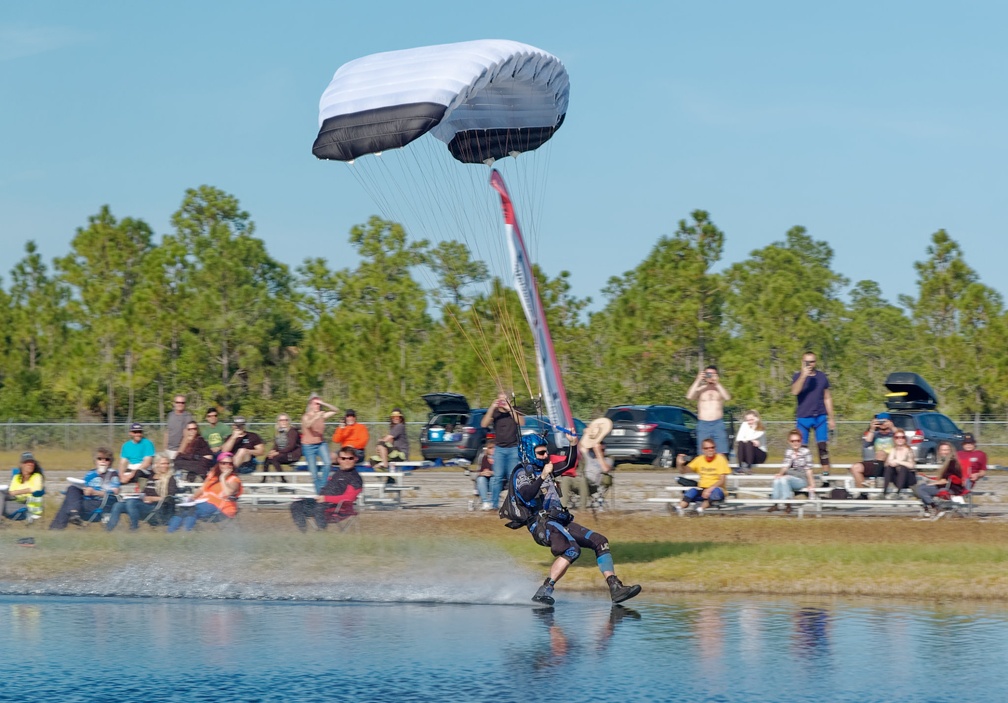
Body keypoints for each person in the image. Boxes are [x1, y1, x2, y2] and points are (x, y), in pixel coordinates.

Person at [511, 436, 640, 605]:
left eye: (546, 452)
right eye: (541, 453)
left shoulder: (546, 468)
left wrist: (573, 444)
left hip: (558, 520)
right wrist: (542, 477)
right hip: (542, 524)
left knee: (600, 541)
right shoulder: (522, 473)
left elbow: (568, 464)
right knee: (572, 549)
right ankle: (544, 590)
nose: (545, 455)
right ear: (529, 453)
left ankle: (615, 587)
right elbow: (526, 494)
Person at [290, 448, 364, 532]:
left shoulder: (355, 478)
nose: (346, 461)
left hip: (340, 509)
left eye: (350, 458)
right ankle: (303, 533)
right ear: (339, 459)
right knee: (296, 505)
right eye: (343, 458)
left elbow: (349, 498)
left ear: (355, 459)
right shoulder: (337, 474)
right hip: (324, 504)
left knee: (319, 508)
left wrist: (325, 499)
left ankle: (322, 535)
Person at [167, 452, 242, 532]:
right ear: (219, 464)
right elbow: (202, 489)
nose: (227, 465)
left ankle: (185, 535)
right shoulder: (213, 475)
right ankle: (170, 534)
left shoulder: (234, 480)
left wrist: (222, 478)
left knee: (192, 510)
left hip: (222, 508)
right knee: (182, 509)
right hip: (204, 503)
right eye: (223, 463)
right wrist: (193, 497)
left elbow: (228, 493)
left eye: (230, 463)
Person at [49, 448, 121, 529]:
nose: (103, 461)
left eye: (106, 459)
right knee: (72, 488)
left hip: (99, 503)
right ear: (95, 461)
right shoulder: (91, 473)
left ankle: (57, 528)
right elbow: (83, 485)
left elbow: (115, 492)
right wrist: (84, 489)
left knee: (68, 503)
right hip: (85, 500)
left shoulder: (112, 474)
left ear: (110, 462)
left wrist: (95, 492)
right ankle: (73, 514)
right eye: (99, 458)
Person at [789, 351, 836, 475]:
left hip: (820, 416)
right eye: (807, 362)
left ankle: (826, 475)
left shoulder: (821, 377)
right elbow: (794, 392)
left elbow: (827, 398)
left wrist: (831, 418)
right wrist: (804, 376)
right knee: (801, 448)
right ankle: (802, 475)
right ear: (802, 362)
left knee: (822, 447)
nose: (810, 364)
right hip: (804, 417)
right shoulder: (797, 376)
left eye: (812, 361)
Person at [106, 453, 178, 530]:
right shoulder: (152, 475)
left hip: (157, 508)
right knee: (118, 505)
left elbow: (169, 498)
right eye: (163, 463)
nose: (165, 466)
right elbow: (139, 472)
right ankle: (108, 530)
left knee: (131, 503)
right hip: (144, 504)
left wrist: (152, 498)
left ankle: (134, 529)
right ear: (156, 464)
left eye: (167, 463)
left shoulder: (170, 479)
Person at [480, 392, 522, 509]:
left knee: (512, 477)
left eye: (504, 400)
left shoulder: (514, 410)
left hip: (513, 448)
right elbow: (483, 424)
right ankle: (494, 504)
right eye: (500, 400)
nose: (502, 402)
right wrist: (492, 407)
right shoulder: (496, 412)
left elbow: (521, 422)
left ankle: (514, 504)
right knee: (497, 477)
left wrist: (509, 409)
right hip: (499, 449)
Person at [673, 438, 731, 516]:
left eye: (712, 447)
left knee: (715, 493)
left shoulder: (720, 459)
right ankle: (678, 508)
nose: (710, 450)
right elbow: (683, 471)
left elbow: (722, 480)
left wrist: (709, 490)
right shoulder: (699, 459)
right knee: (692, 491)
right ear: (703, 450)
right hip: (702, 489)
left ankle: (699, 510)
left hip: (717, 489)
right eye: (707, 448)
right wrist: (680, 464)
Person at [686, 365, 731, 455]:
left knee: (721, 451)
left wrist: (717, 383)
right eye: (708, 374)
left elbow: (727, 397)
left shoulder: (719, 389)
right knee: (703, 452)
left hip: (718, 423)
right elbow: (689, 396)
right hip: (703, 424)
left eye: (712, 374)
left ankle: (720, 468)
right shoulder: (701, 389)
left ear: (717, 375)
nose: (710, 376)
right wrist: (698, 380)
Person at [768, 429, 815, 513]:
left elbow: (809, 470)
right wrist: (779, 474)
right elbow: (785, 466)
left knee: (784, 478)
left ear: (801, 441)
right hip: (789, 478)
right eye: (792, 441)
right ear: (789, 442)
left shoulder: (806, 452)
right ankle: (775, 504)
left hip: (801, 479)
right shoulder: (788, 452)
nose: (795, 443)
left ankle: (788, 504)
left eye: (798, 440)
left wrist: (812, 485)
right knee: (777, 479)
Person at [301, 393, 339, 493]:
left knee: (327, 463)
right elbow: (308, 425)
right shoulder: (306, 416)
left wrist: (324, 403)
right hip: (308, 446)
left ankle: (322, 487)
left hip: (320, 443)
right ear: (310, 405)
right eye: (315, 404)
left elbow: (336, 410)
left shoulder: (322, 414)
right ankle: (320, 495)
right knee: (314, 474)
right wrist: (315, 417)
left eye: (318, 404)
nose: (317, 406)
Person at [848, 413, 897, 488]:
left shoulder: (895, 434)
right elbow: (866, 444)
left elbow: (903, 440)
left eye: (886, 429)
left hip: (891, 464)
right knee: (856, 467)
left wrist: (892, 427)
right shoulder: (876, 434)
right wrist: (872, 429)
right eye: (881, 428)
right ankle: (863, 493)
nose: (883, 430)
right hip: (877, 463)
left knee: (881, 453)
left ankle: (874, 479)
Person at [915, 441, 960, 518]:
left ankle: (934, 507)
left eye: (946, 450)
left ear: (951, 451)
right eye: (942, 450)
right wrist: (932, 480)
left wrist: (933, 483)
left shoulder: (952, 463)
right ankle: (928, 508)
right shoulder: (946, 461)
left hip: (950, 488)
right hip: (945, 486)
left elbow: (946, 480)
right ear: (939, 451)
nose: (944, 452)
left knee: (922, 489)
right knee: (922, 486)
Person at [1, 452, 45, 522]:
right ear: (22, 465)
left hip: (26, 505)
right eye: (27, 462)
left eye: (32, 462)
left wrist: (18, 492)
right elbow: (11, 492)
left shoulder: (37, 476)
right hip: (13, 501)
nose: (30, 464)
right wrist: (26, 490)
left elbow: (36, 489)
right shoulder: (16, 477)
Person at [264, 413, 302, 482]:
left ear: (288, 421)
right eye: (281, 420)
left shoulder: (292, 431)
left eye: (286, 420)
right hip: (284, 453)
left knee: (275, 458)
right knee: (268, 458)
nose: (283, 422)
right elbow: (277, 445)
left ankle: (283, 479)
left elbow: (291, 446)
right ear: (278, 422)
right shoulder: (279, 432)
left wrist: (277, 453)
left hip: (293, 454)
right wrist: (272, 451)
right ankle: (263, 479)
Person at [118, 422, 156, 487]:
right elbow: (122, 463)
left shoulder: (147, 443)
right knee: (117, 476)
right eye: (135, 432)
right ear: (131, 433)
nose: (138, 434)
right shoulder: (126, 445)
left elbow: (147, 462)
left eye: (140, 432)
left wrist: (133, 473)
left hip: (143, 469)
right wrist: (121, 475)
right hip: (131, 467)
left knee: (138, 474)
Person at [881, 429, 916, 498]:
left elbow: (912, 466)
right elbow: (887, 463)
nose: (900, 439)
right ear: (894, 439)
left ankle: (898, 492)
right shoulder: (893, 450)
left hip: (908, 478)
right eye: (897, 437)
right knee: (889, 468)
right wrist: (891, 462)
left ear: (905, 439)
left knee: (903, 468)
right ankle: (884, 490)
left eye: (902, 437)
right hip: (897, 478)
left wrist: (898, 461)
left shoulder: (908, 450)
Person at [164, 393, 194, 460]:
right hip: (168, 450)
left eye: (182, 402)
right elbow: (167, 432)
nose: (180, 404)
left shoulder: (187, 417)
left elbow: (186, 436)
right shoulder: (170, 415)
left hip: (180, 450)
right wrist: (165, 449)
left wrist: (179, 452)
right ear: (174, 403)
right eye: (178, 402)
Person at [472, 439, 495, 510]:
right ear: (487, 449)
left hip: (495, 478)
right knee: (480, 479)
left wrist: (491, 472)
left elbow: (502, 472)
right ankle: (485, 502)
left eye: (494, 448)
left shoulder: (500, 458)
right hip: (484, 478)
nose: (492, 450)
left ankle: (492, 501)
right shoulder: (483, 458)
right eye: (490, 448)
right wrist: (483, 473)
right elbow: (480, 470)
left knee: (493, 479)